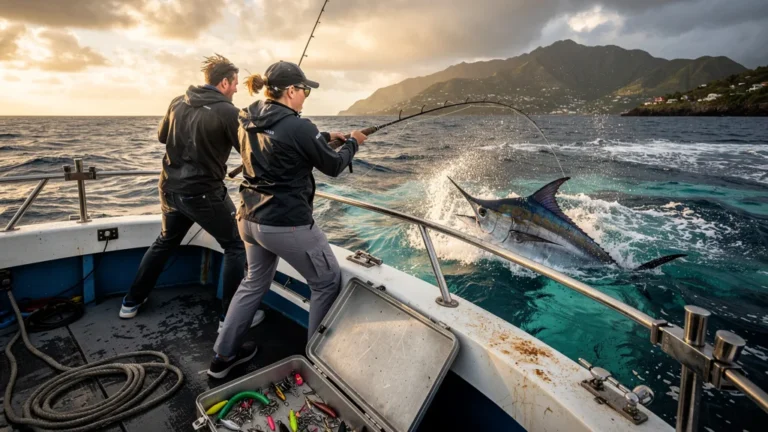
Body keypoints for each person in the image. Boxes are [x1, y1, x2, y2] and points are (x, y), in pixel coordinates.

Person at [207, 61, 367, 378]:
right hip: (285, 223)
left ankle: (222, 358)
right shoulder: (298, 126)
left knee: (253, 283)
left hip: (248, 219)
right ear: (291, 91)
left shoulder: (247, 115)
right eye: (304, 90)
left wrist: (322, 137)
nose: (306, 96)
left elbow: (278, 140)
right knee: (325, 281)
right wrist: (352, 143)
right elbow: (333, 166)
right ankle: (317, 364)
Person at [120, 54, 264, 331]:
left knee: (165, 241)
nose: (236, 88)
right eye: (234, 83)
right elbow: (249, 153)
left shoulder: (178, 101)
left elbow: (163, 137)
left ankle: (131, 302)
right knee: (235, 246)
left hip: (169, 189)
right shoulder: (228, 112)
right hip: (203, 194)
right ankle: (230, 320)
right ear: (224, 82)